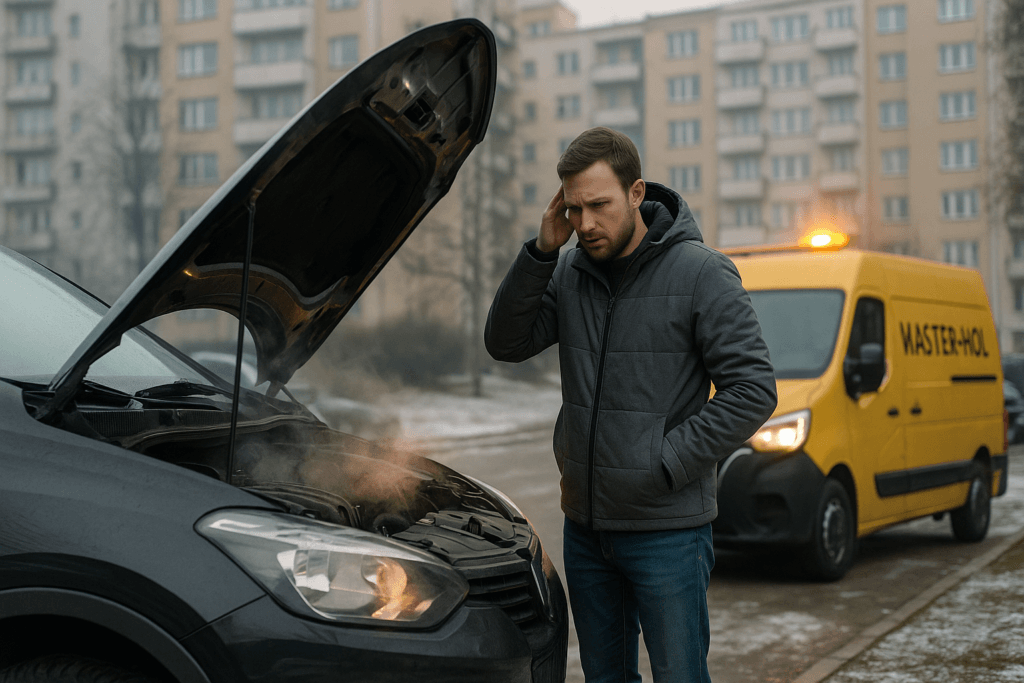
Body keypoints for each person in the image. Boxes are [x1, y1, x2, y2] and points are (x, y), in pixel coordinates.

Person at [484, 127, 777, 683]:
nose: (586, 224)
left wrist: (665, 462)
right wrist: (541, 251)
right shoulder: (569, 271)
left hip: (668, 530)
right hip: (587, 530)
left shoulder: (701, 273)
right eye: (573, 210)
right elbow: (505, 342)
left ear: (637, 193)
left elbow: (753, 390)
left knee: (679, 677)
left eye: (599, 205)